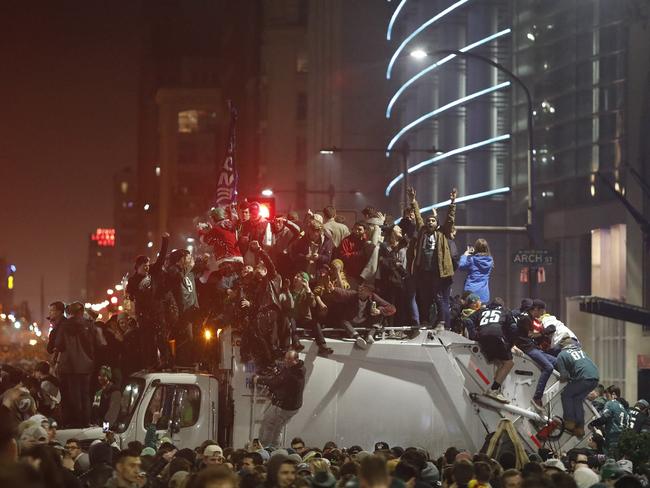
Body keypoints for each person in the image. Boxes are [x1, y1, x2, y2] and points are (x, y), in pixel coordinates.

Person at [407, 188, 457, 328]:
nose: (430, 223)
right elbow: (417, 217)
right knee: (423, 297)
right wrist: (413, 201)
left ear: (437, 223)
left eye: (433, 221)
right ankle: (424, 321)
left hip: (437, 271)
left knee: (438, 296)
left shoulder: (442, 233)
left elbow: (450, 219)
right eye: (428, 220)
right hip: (423, 271)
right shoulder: (422, 231)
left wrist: (452, 202)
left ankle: (441, 321)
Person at [126, 232, 171, 367]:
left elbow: (161, 258)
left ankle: (166, 362)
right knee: (147, 341)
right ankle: (149, 364)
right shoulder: (133, 281)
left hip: (157, 312)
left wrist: (165, 241)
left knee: (162, 339)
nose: (147, 267)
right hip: (143, 315)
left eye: (148, 264)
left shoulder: (152, 272)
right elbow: (130, 297)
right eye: (144, 265)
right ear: (137, 266)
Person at [55, 302, 99, 427]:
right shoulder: (89, 325)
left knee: (74, 395)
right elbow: (96, 343)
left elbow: (59, 344)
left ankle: (76, 422)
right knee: (85, 395)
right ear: (81, 311)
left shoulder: (64, 325)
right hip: (86, 365)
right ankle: (85, 422)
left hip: (70, 365)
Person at [464, 299, 515, 403]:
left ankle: (496, 388)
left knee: (500, 363)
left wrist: (473, 336)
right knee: (509, 363)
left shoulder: (481, 310)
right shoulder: (505, 311)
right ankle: (494, 390)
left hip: (482, 338)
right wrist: (510, 344)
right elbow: (513, 327)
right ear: (502, 305)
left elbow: (467, 320)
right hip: (496, 337)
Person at [255, 351, 306, 447]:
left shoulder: (291, 374)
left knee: (270, 426)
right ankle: (272, 448)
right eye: (286, 359)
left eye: (289, 359)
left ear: (296, 360)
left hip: (284, 407)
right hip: (293, 407)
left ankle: (266, 448)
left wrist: (259, 379)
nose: (286, 361)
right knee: (276, 427)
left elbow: (275, 382)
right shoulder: (300, 369)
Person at [323, 282, 396, 349]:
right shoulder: (354, 295)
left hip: (365, 322)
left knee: (380, 314)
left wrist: (379, 311)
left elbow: (392, 308)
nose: (360, 291)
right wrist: (333, 289)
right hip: (353, 321)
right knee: (344, 320)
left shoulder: (373, 297)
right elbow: (344, 293)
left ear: (369, 292)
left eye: (363, 290)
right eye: (360, 289)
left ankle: (370, 335)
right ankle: (357, 337)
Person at [555, 337, 600, 438]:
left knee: (566, 394)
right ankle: (580, 427)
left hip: (583, 378)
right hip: (595, 377)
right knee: (577, 399)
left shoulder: (561, 355)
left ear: (562, 346)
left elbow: (564, 376)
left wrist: (565, 378)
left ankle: (569, 421)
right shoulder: (580, 351)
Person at [590, 385, 629, 452]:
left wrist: (592, 423)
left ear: (613, 394)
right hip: (623, 439)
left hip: (612, 439)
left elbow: (603, 419)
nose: (606, 398)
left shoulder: (611, 403)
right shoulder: (623, 407)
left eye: (607, 396)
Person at [337, 222, 373, 287]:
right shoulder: (346, 241)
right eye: (355, 229)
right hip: (350, 274)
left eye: (359, 229)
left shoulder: (366, 241)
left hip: (363, 275)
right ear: (352, 229)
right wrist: (357, 254)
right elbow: (343, 256)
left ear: (364, 231)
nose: (357, 231)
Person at [458, 239, 494, 304]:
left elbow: (461, 266)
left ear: (476, 248)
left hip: (470, 291)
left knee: (469, 312)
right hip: (484, 293)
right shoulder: (490, 260)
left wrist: (465, 255)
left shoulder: (472, 259)